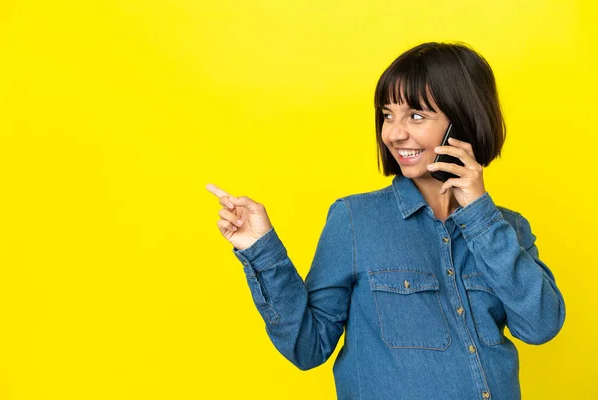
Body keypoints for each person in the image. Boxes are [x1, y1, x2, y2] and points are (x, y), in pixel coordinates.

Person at [206, 41, 566, 400]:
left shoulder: (508, 228)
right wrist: (261, 251)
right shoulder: (354, 220)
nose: (393, 133)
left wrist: (480, 217)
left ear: (463, 123)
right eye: (387, 115)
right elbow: (307, 346)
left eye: (416, 116)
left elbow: (540, 326)